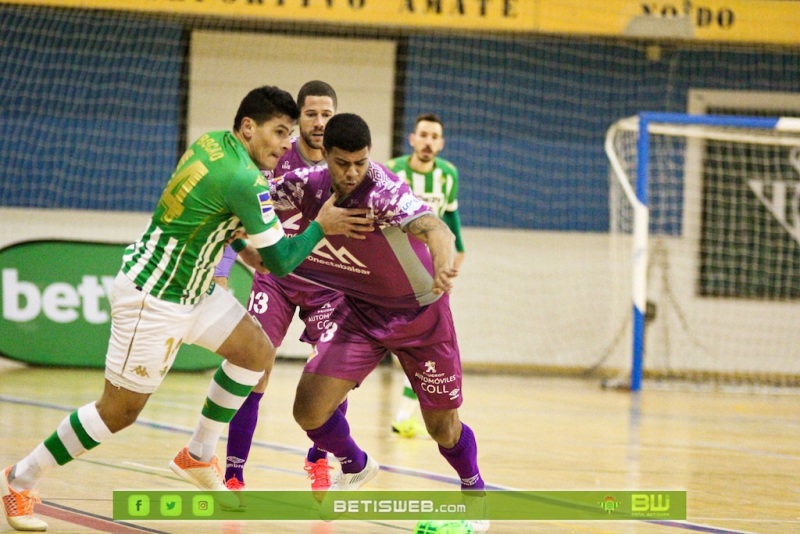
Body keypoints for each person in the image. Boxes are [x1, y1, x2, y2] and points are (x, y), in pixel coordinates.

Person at [0, 85, 373, 532]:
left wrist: (241, 244)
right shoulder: (245, 180)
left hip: (194, 289)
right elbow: (282, 261)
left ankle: (197, 454)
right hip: (153, 299)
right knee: (117, 413)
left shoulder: (209, 143)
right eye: (278, 132)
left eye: (289, 134)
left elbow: (214, 219)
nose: (285, 144)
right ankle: (20, 479)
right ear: (248, 127)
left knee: (256, 352)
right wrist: (322, 226)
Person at [269, 113, 488, 532]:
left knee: (441, 428)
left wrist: (442, 265)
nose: (352, 172)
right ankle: (356, 464)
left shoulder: (383, 189)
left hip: (423, 313)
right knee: (308, 409)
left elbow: (436, 228)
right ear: (325, 157)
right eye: (341, 163)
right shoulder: (305, 185)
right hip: (362, 313)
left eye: (360, 162)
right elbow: (253, 199)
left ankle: (475, 501)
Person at [213, 80, 346, 493]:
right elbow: (235, 206)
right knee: (253, 366)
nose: (320, 122)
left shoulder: (346, 164)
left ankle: (319, 459)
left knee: (334, 372)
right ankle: (234, 472)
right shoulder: (273, 156)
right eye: (311, 114)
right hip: (276, 278)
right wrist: (224, 266)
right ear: (297, 119)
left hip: (327, 284)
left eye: (327, 114)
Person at [385, 113, 466, 438]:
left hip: (430, 275)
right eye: (424, 135)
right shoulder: (392, 170)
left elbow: (452, 219)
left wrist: (458, 255)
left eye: (435, 137)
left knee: (424, 344)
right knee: (377, 342)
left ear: (441, 144)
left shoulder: (448, 176)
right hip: (391, 273)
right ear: (412, 139)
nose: (429, 142)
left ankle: (404, 414)